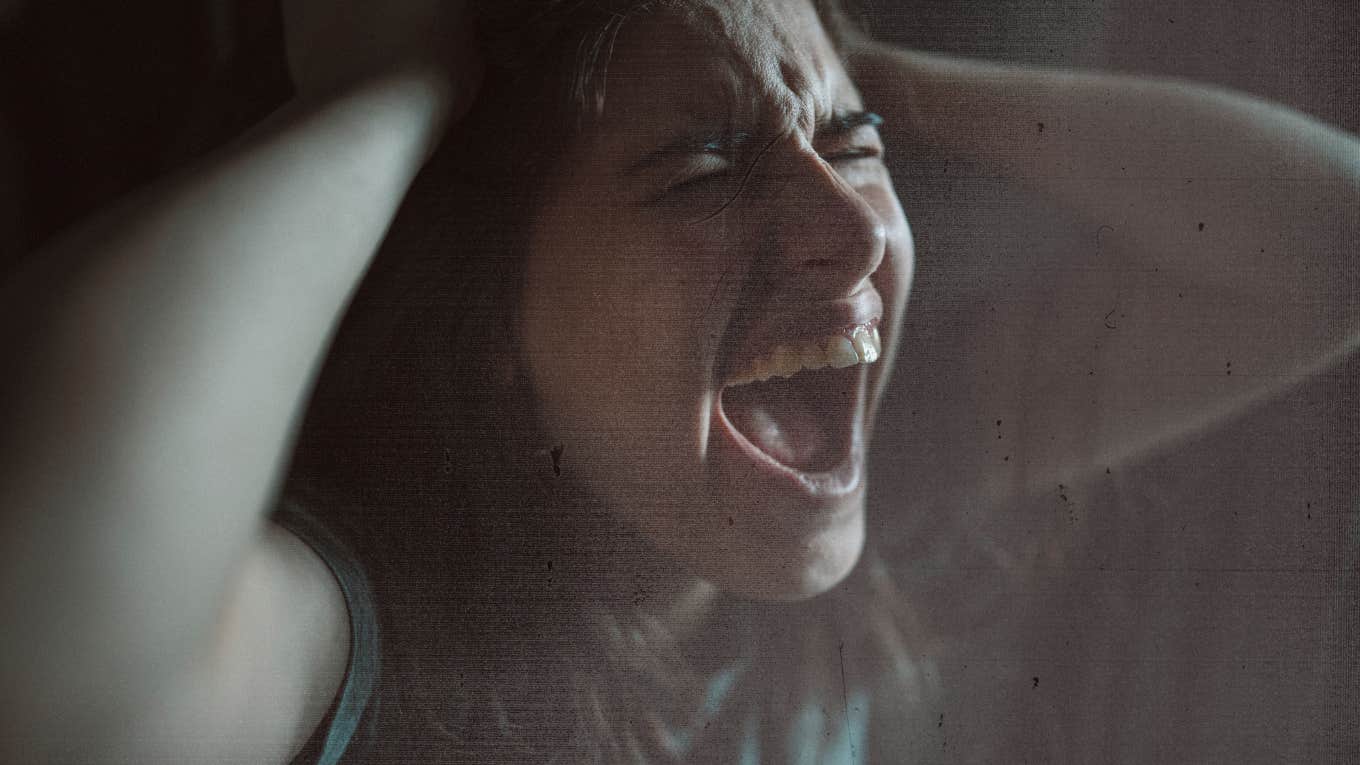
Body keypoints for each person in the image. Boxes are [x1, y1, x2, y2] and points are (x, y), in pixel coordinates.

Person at [1, 0, 1355, 762]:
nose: (854, 228)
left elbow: (1332, 250)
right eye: (699, 169)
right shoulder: (369, 644)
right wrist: (394, 89)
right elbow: (49, 634)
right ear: (489, 334)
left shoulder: (860, 492)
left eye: (857, 150)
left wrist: (845, 62)